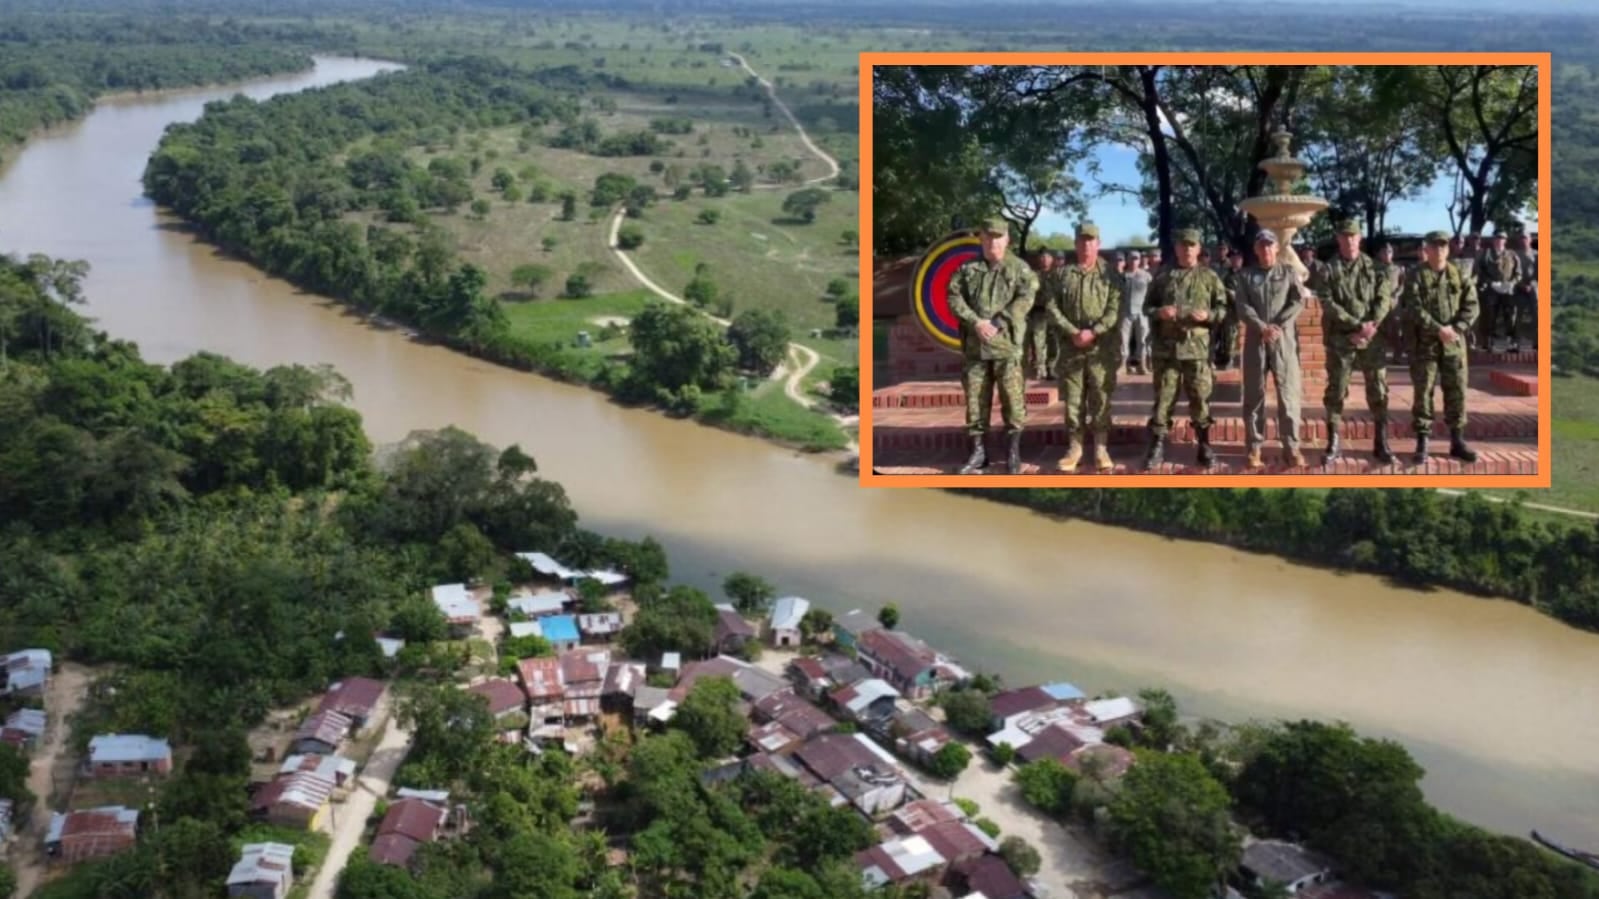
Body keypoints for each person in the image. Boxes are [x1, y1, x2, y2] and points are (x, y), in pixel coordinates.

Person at [946, 217, 1038, 475]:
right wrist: (976, 322)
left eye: (997, 237)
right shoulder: (967, 269)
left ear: (1007, 239)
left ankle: (1013, 452)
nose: (992, 243)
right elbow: (953, 296)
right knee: (975, 402)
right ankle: (978, 453)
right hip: (976, 348)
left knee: (1013, 401)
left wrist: (998, 322)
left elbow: (1026, 298)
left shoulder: (1020, 269)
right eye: (987, 238)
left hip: (1007, 348)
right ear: (981, 240)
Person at [1142, 228, 1230, 470]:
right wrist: (1160, 312)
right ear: (1176, 248)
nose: (1187, 249)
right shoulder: (1163, 276)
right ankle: (1157, 445)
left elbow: (1223, 308)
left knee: (1200, 397)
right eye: (1183, 245)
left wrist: (1209, 315)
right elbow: (1147, 307)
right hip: (1167, 351)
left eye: (1192, 245)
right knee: (1164, 398)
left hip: (1197, 350)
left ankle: (1204, 445)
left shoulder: (1209, 277)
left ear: (1199, 248)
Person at [1309, 220, 1396, 466]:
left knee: (1378, 390)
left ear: (1360, 238)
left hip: (1372, 338)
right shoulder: (1328, 269)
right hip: (1341, 339)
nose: (1349, 240)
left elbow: (1384, 299)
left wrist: (1370, 326)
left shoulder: (1376, 268)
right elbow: (1327, 302)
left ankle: (1381, 443)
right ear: (1338, 239)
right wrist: (1357, 326)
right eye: (1344, 236)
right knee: (1336, 390)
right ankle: (1333, 442)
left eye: (1353, 236)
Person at [1042, 222, 1122, 472]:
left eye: (1091, 240)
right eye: (1082, 240)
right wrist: (1073, 332)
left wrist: (1094, 331)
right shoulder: (1061, 275)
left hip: (1101, 349)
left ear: (1098, 244)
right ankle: (1074, 448)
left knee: (1101, 397)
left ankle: (1101, 448)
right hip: (1071, 348)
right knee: (1073, 400)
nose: (1086, 245)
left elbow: (1115, 310)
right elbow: (1052, 307)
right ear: (1075, 243)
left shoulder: (1111, 275)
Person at [1403, 231, 1480, 465]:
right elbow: (1413, 307)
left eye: (1443, 246)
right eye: (1434, 246)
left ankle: (1457, 441)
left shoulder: (1459, 275)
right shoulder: (1415, 275)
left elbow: (1472, 305)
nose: (1439, 250)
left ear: (1448, 249)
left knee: (1456, 390)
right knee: (1423, 391)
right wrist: (1438, 329)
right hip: (1425, 344)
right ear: (1426, 249)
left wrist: (1456, 328)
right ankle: (1423, 441)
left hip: (1453, 343)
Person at [1233, 230, 1306, 469]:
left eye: (1270, 245)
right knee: (1254, 394)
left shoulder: (1288, 273)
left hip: (1283, 340)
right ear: (1256, 249)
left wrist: (1277, 325)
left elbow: (1298, 301)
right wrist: (1262, 327)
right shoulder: (1245, 276)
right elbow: (1242, 306)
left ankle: (1291, 447)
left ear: (1276, 248)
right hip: (1256, 340)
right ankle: (1254, 447)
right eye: (1261, 245)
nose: (1266, 249)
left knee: (1288, 394)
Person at [1477, 231, 1522, 350]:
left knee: (1510, 316)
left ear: (1505, 240)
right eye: (1497, 238)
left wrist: (1512, 283)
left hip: (1508, 290)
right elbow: (1480, 272)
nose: (1499, 240)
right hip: (1492, 290)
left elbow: (1518, 273)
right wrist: (1490, 282)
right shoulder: (1486, 254)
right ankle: (1489, 342)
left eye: (1502, 238)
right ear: (1493, 240)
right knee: (1490, 316)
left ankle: (1511, 342)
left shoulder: (1512, 255)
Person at [1025, 249, 1058, 380]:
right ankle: (1039, 369)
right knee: (1038, 342)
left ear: (1052, 259)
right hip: (1038, 312)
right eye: (1042, 257)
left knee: (1054, 342)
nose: (1045, 259)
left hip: (1054, 314)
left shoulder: (1057, 275)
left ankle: (1052, 368)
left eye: (1047, 257)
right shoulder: (1033, 275)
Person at [1120, 250, 1152, 375]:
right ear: (1127, 260)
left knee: (1143, 340)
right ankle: (1123, 365)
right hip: (1125, 311)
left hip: (1141, 312)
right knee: (1123, 340)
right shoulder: (1122, 276)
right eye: (1131, 258)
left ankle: (1142, 365)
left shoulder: (1146, 276)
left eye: (1136, 259)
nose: (1133, 261)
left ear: (1139, 260)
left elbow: (1152, 293)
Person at [1374, 241, 1406, 364]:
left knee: (1396, 331)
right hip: (1380, 304)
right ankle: (1380, 356)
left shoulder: (1398, 268)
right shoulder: (1375, 268)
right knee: (1380, 330)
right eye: (1384, 252)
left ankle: (1398, 355)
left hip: (1394, 304)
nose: (1387, 254)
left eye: (1389, 251)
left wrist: (1397, 293)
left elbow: (1403, 284)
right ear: (1379, 254)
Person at [1212, 240, 1240, 371]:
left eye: (1223, 249)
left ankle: (1229, 359)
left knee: (1230, 334)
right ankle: (1215, 357)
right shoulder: (1217, 267)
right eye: (1220, 249)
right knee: (1216, 333)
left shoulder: (1240, 271)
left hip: (1232, 307)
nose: (1221, 251)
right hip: (1219, 305)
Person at [1512, 230, 1538, 353]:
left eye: (1525, 238)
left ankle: (1537, 342)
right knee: (1518, 315)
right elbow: (1511, 272)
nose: (1523, 240)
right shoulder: (1514, 255)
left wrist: (1532, 285)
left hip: (1533, 288)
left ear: (1530, 240)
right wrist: (1520, 284)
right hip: (1518, 288)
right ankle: (1516, 342)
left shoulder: (1537, 254)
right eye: (1521, 238)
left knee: (1537, 315)